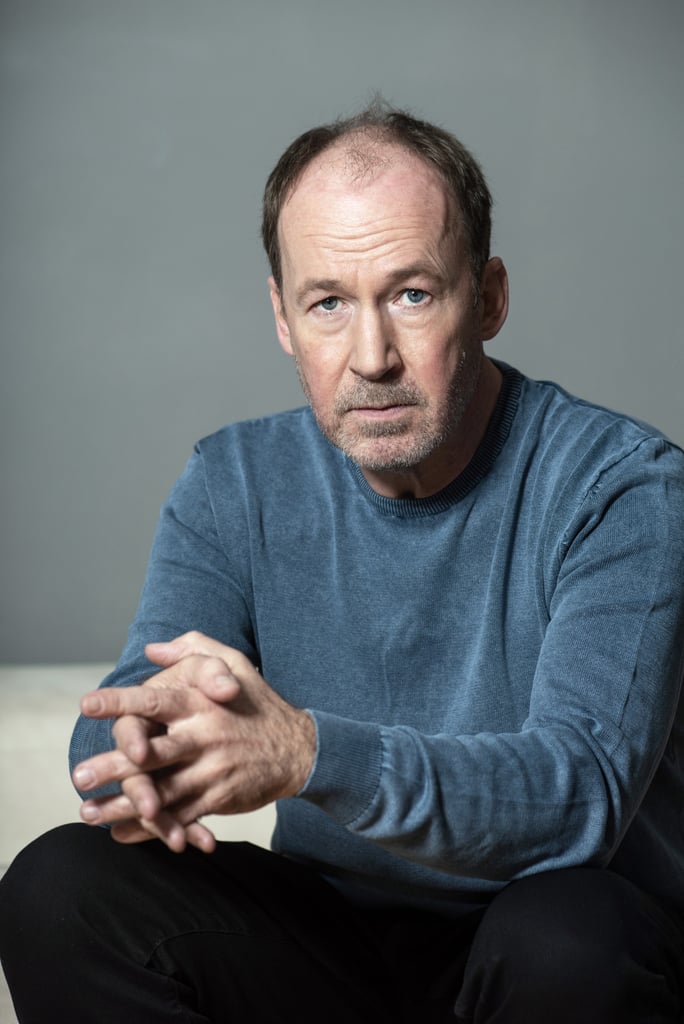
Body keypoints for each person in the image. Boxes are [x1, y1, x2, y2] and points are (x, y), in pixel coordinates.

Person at [1, 101, 684, 1023]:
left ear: (487, 299)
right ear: (283, 318)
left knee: (570, 938)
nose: (371, 358)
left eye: (412, 294)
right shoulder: (234, 480)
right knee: (59, 887)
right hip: (325, 948)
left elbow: (578, 798)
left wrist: (309, 755)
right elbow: (114, 731)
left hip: (539, 936)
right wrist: (151, 747)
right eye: (328, 303)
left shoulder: (621, 486)